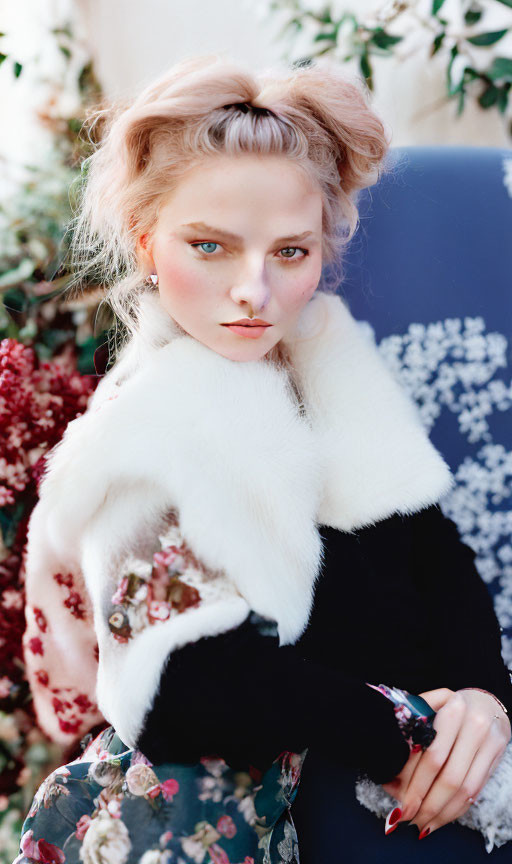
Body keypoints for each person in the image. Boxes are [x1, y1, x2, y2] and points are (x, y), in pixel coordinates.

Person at [14, 53, 512, 864]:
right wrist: (412, 731)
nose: (256, 291)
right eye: (210, 247)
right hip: (187, 828)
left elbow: (432, 550)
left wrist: (486, 703)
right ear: (146, 243)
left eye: (290, 252)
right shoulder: (141, 430)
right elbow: (181, 687)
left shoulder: (327, 358)